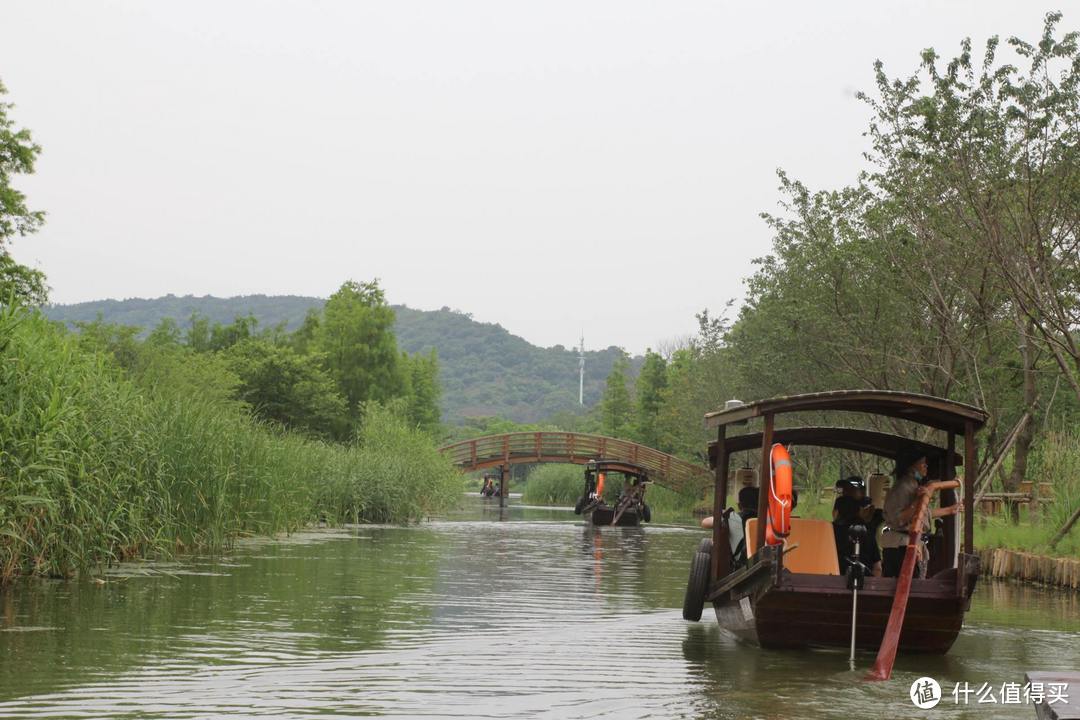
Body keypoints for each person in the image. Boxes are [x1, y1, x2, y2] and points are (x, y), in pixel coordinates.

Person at [880, 447, 961, 578]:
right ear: (911, 467)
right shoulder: (903, 487)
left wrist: (951, 510)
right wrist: (917, 500)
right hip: (900, 548)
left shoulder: (914, 486)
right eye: (923, 464)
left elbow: (921, 513)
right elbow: (899, 518)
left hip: (910, 545)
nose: (926, 467)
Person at [833, 495, 882, 577]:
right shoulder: (867, 531)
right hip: (865, 584)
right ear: (858, 512)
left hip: (833, 583)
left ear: (836, 512)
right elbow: (877, 568)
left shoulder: (830, 532)